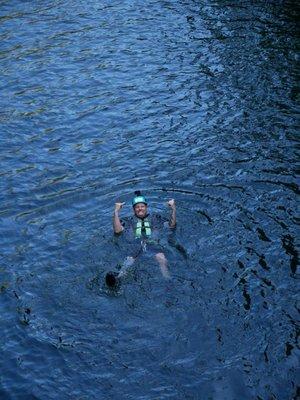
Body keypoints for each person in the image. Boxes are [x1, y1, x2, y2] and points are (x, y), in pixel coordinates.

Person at [106, 191, 176, 287]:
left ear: (146, 207)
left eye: (142, 206)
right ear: (133, 209)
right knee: (130, 260)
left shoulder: (156, 217)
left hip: (152, 243)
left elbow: (171, 225)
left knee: (161, 257)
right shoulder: (128, 220)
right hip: (135, 245)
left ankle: (168, 280)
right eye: (137, 207)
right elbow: (117, 231)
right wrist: (116, 212)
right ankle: (117, 279)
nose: (140, 209)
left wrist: (173, 210)